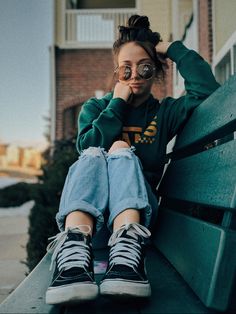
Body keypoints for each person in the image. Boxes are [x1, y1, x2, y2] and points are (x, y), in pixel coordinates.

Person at [45, 15, 220, 305]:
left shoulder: (165, 113)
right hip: (95, 227)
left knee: (122, 151)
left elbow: (206, 92)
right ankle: (73, 254)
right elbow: (87, 146)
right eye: (126, 69)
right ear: (117, 74)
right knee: (96, 152)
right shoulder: (97, 108)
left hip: (139, 226)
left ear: (156, 71)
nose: (135, 75)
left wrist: (171, 48)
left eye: (145, 66)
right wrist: (118, 103)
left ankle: (127, 260)